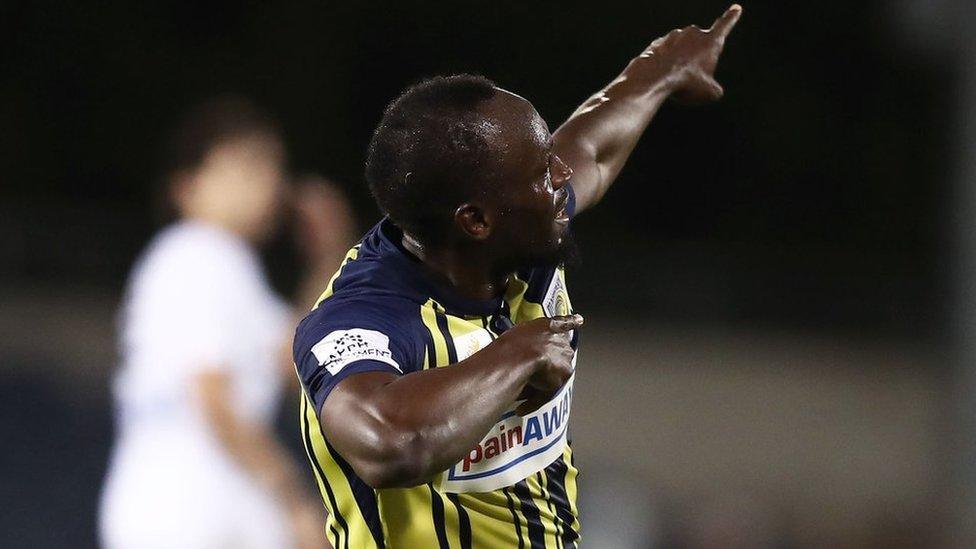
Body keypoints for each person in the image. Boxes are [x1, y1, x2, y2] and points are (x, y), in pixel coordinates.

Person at [292, 5, 742, 548]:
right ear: (475, 220)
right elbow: (390, 443)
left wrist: (662, 67)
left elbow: (594, 145)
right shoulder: (363, 317)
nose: (563, 177)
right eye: (541, 172)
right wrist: (517, 356)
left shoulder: (522, 239)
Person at [99, 97, 353, 549]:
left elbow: (299, 360)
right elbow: (211, 397)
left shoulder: (216, 264)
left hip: (193, 501)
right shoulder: (199, 252)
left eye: (271, 167)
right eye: (245, 165)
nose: (266, 182)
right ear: (187, 185)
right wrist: (290, 496)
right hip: (188, 504)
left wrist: (329, 257)